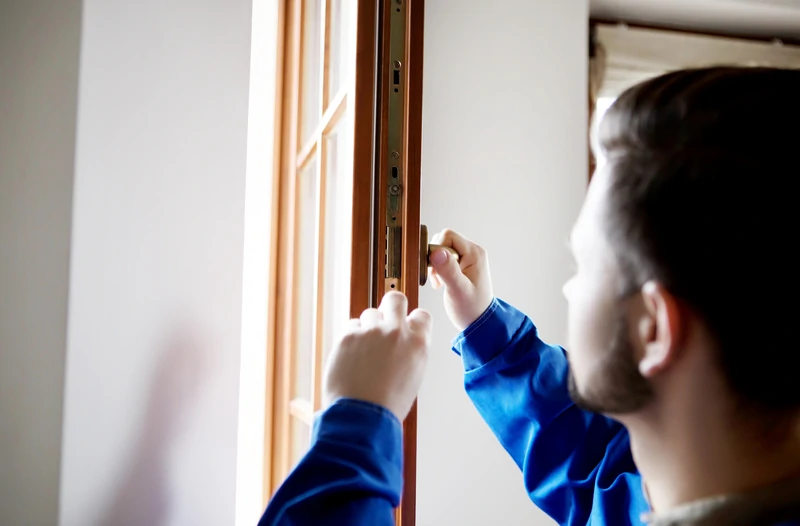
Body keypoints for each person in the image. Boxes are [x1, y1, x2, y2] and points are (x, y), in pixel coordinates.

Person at [258, 66, 800, 526]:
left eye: (583, 263)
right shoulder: (688, 491)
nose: (569, 286)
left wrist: (356, 426)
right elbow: (592, 472)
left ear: (652, 330)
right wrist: (488, 332)